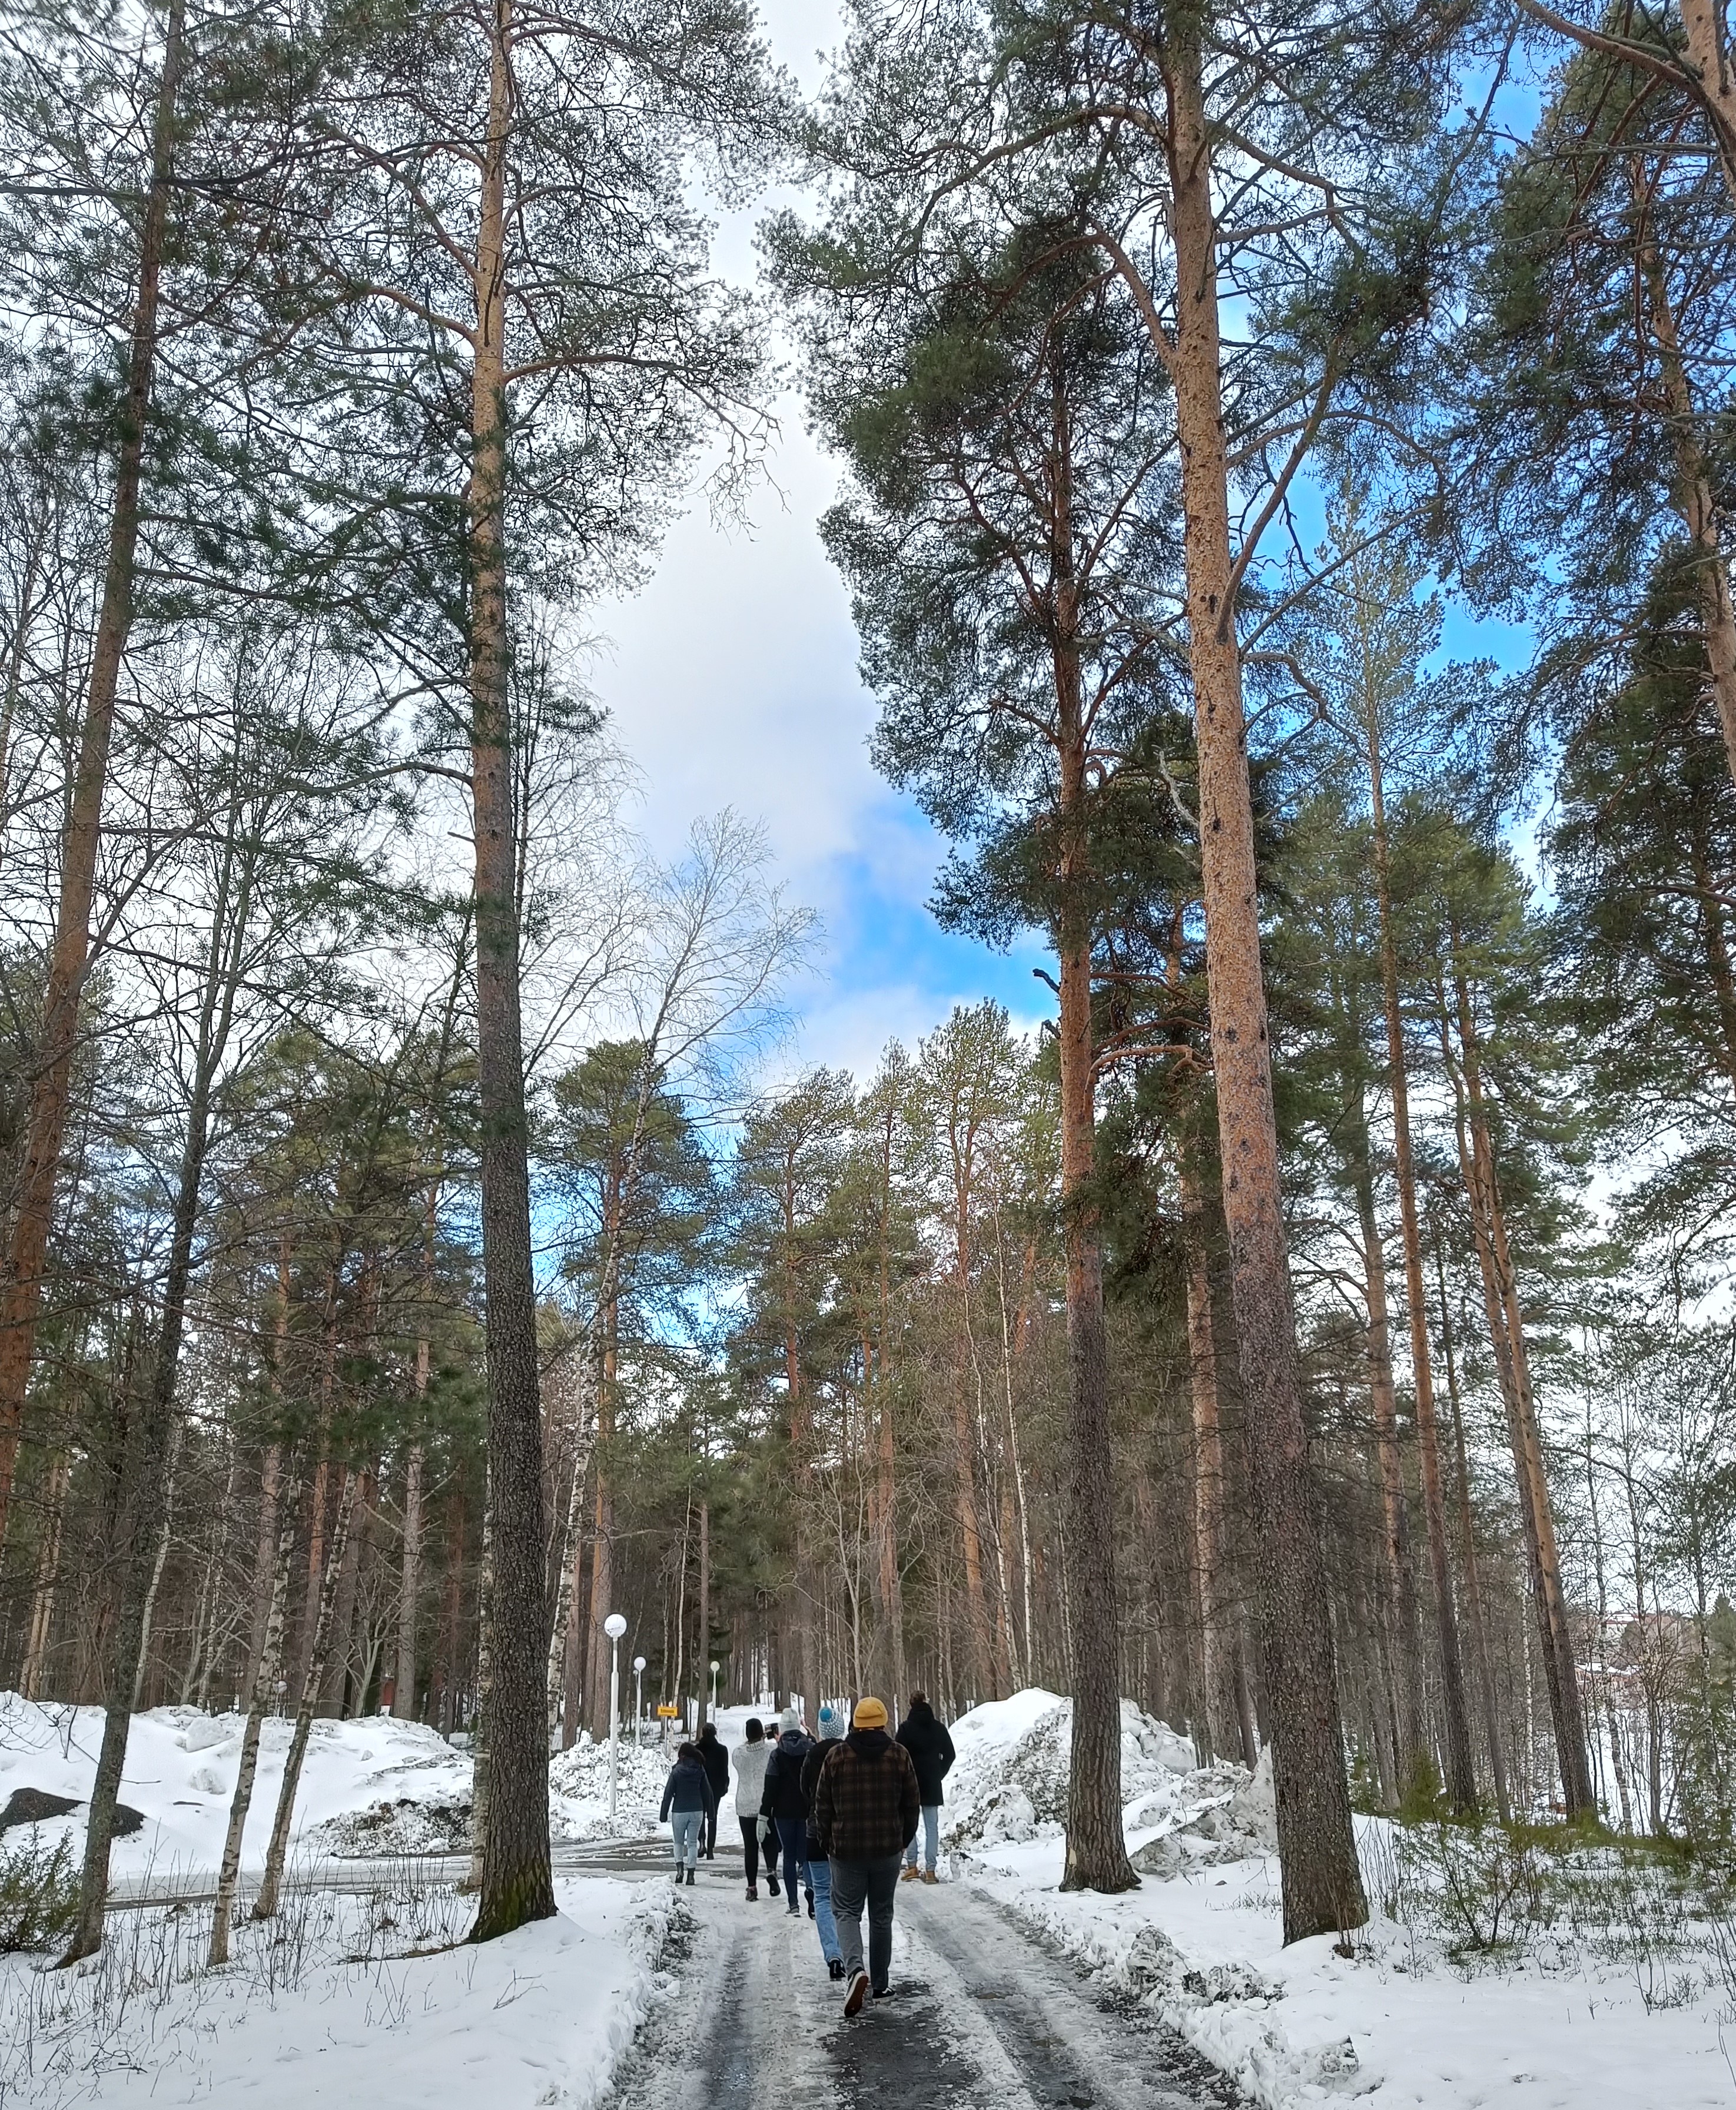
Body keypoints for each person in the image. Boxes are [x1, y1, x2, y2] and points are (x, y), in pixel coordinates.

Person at [812, 1696, 920, 2017]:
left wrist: (827, 1841)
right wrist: (903, 1840)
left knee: (846, 1912)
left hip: (845, 1850)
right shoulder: (899, 1755)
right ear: (884, 1722)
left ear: (856, 1723)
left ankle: (855, 1970)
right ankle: (881, 1983)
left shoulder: (837, 1756)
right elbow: (912, 1804)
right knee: (881, 1915)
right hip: (887, 1848)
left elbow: (822, 1805)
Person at [799, 1704, 847, 1979]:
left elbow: (805, 1790)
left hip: (815, 1833)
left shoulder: (811, 1756)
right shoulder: (849, 1753)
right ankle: (850, 1949)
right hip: (844, 1834)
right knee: (844, 1897)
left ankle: (833, 1955)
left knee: (821, 1894)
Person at [761, 1706, 816, 1919]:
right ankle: (812, 1899)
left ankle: (793, 1904)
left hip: (783, 1813)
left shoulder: (777, 1755)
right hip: (807, 1811)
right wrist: (809, 1732)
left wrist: (764, 1814)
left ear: (782, 1729)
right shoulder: (811, 1750)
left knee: (789, 1857)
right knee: (807, 1858)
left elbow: (770, 1787)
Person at [895, 1690, 956, 1882]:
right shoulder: (938, 1728)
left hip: (910, 1782)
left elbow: (897, 1755)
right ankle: (931, 1870)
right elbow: (950, 1754)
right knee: (932, 1827)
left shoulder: (905, 1729)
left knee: (909, 1824)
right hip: (931, 1781)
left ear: (911, 1705)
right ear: (926, 1702)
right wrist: (939, 1773)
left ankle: (912, 1865)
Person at [660, 1740, 715, 1886]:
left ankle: (679, 1871)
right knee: (692, 1844)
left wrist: (663, 1813)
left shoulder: (677, 1771)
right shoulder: (700, 1769)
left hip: (679, 1812)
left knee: (678, 1842)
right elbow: (707, 1792)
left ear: (682, 1755)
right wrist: (711, 1813)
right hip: (697, 1811)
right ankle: (691, 1876)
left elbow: (668, 1794)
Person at [731, 1717, 772, 1900]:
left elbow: (741, 1749)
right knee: (770, 1843)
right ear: (762, 1733)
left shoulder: (739, 1754)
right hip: (766, 1804)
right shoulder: (771, 1751)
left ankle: (752, 1887)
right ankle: (771, 1871)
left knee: (751, 1848)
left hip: (745, 1805)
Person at [696, 1720, 730, 1859]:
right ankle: (710, 1849)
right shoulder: (722, 1750)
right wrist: (724, 1786)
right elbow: (724, 1770)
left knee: (700, 1817)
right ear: (715, 1733)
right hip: (715, 1788)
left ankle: (702, 1842)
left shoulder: (697, 1749)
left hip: (700, 1787)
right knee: (712, 1818)